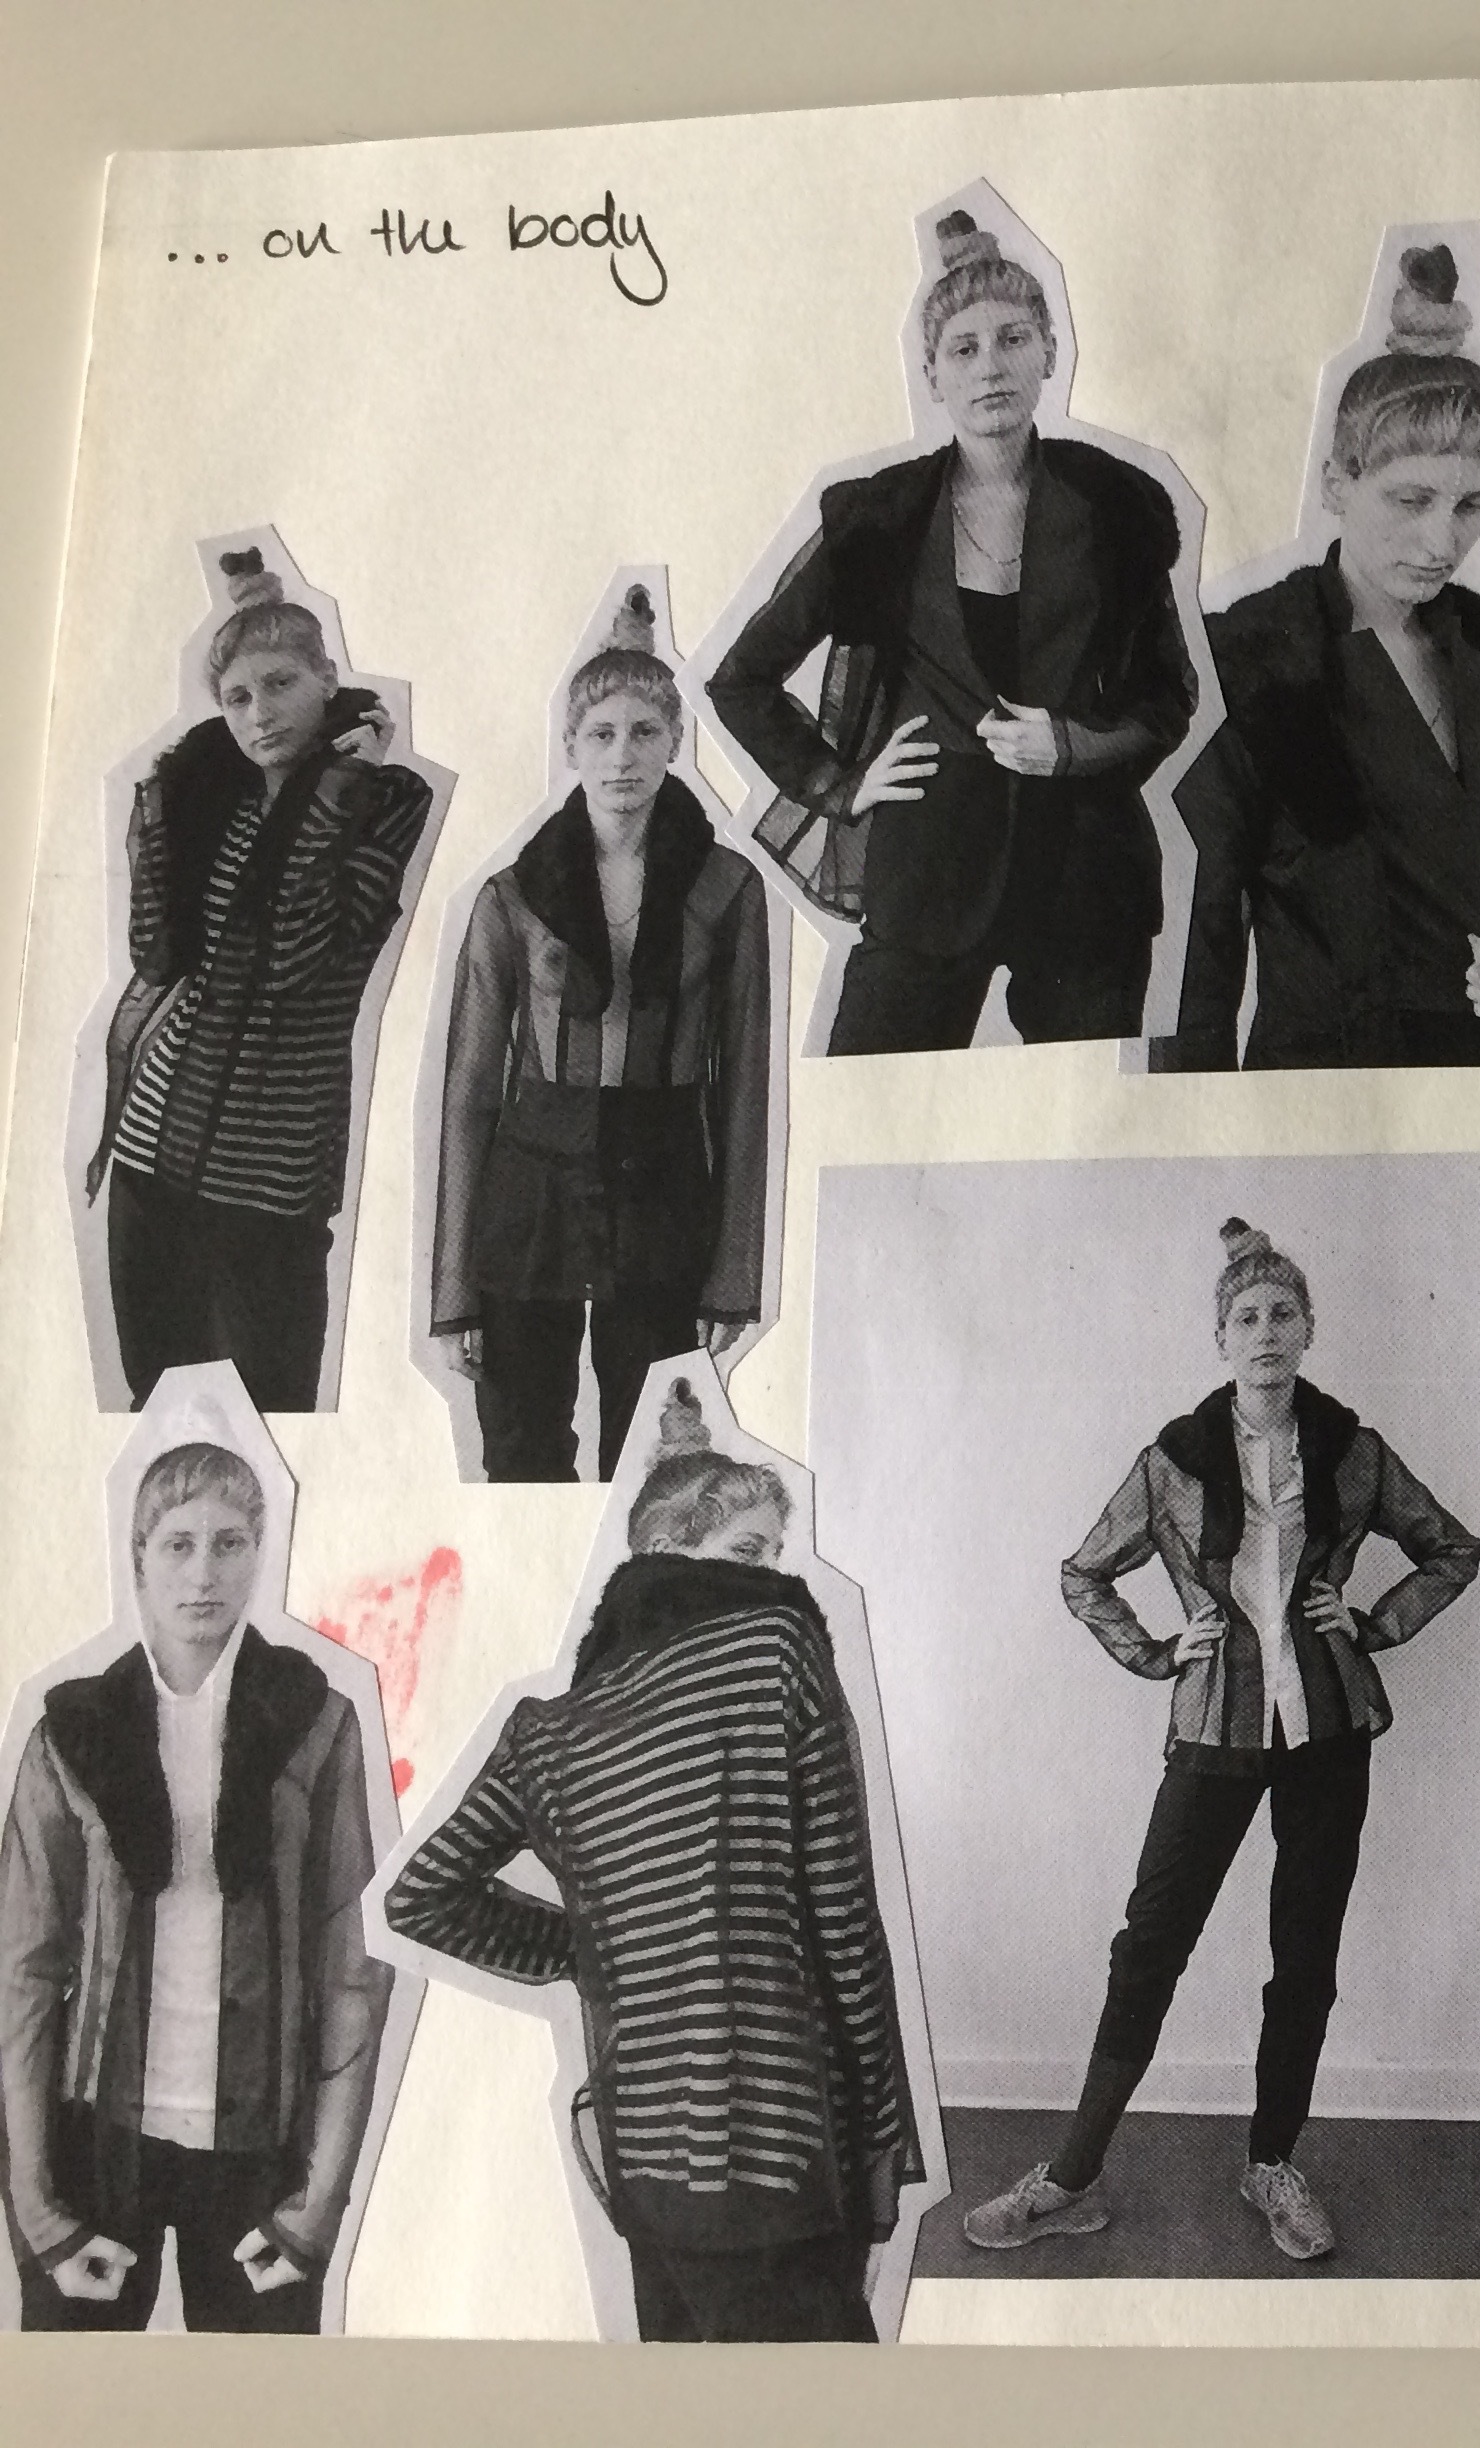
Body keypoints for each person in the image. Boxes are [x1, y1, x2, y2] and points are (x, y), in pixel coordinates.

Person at [965, 1221, 1480, 2263]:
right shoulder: (1174, 1462)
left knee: (1306, 1952)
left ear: (1309, 1329)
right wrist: (1160, 1652)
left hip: (1329, 1730)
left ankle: (1272, 2163)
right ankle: (1071, 2176)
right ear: (1220, 1339)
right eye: (1247, 1318)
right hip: (1215, 1725)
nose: (1267, 1332)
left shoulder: (1354, 1450)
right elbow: (1083, 1571)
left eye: (1284, 1314)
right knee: (1150, 1944)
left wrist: (1374, 1624)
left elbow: (1452, 1549)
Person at [382, 1384, 922, 2342]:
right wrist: (880, 2146)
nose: (772, 1576)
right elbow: (843, 1921)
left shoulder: (548, 1732)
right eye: (750, 1552)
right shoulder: (774, 1644)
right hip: (780, 2152)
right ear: (670, 1547)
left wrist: (603, 1947)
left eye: (774, 1557)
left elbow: (422, 1896)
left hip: (642, 2155)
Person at [710, 207, 1201, 1055]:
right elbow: (740, 680)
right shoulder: (878, 516)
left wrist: (1070, 746)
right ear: (932, 376)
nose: (991, 367)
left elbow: (1168, 700)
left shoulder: (1117, 504)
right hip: (925, 877)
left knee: (1080, 1124)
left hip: (1087, 884)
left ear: (1050, 351)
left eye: (1013, 339)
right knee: (873, 1105)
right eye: (963, 349)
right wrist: (841, 785)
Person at [2, 1439, 391, 2331]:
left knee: (258, 2400)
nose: (204, 1572)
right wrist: (37, 2211)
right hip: (95, 2149)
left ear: (260, 1551)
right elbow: (19, 1973)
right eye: (178, 1543)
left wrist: (317, 2206)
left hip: (262, 2158)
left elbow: (352, 1970)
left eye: (229, 1542)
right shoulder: (73, 1730)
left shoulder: (315, 1720)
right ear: (138, 1556)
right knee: (77, 2398)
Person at [1167, 244, 1480, 1070]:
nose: (1441, 542)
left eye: (1471, 505)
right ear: (1337, 483)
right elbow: (1198, 955)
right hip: (1331, 1086)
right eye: (1411, 500)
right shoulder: (1247, 661)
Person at [431, 583, 773, 1481]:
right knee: (519, 1459)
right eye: (602, 734)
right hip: (528, 1201)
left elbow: (744, 1091)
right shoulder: (511, 896)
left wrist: (733, 1274)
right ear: (571, 745)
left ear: (675, 741)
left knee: (653, 1465)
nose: (623, 756)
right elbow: (468, 1095)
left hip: (665, 1197)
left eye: (645, 732)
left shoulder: (727, 890)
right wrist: (454, 1289)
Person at [85, 547, 436, 1410]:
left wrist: (340, 782)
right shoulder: (213, 800)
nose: (259, 713)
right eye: (237, 698)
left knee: (271, 1411)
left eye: (280, 684)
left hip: (271, 1180)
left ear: (327, 681)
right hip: (149, 1157)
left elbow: (294, 960)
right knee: (157, 1408)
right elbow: (156, 956)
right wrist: (160, 814)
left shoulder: (385, 800)